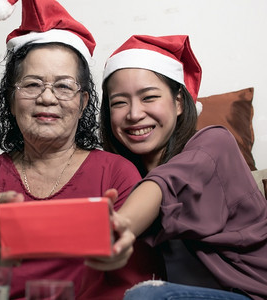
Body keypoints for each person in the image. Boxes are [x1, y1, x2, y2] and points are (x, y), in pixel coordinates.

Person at [0, 1, 163, 299]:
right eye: (32, 85)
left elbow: (134, 279)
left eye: (63, 86)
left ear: (83, 102)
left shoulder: (116, 172)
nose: (47, 98)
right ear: (10, 100)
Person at [99, 35, 267, 300]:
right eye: (119, 102)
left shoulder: (214, 143)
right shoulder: (118, 174)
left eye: (149, 97)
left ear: (178, 102)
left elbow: (169, 181)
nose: (133, 114)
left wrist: (122, 226)